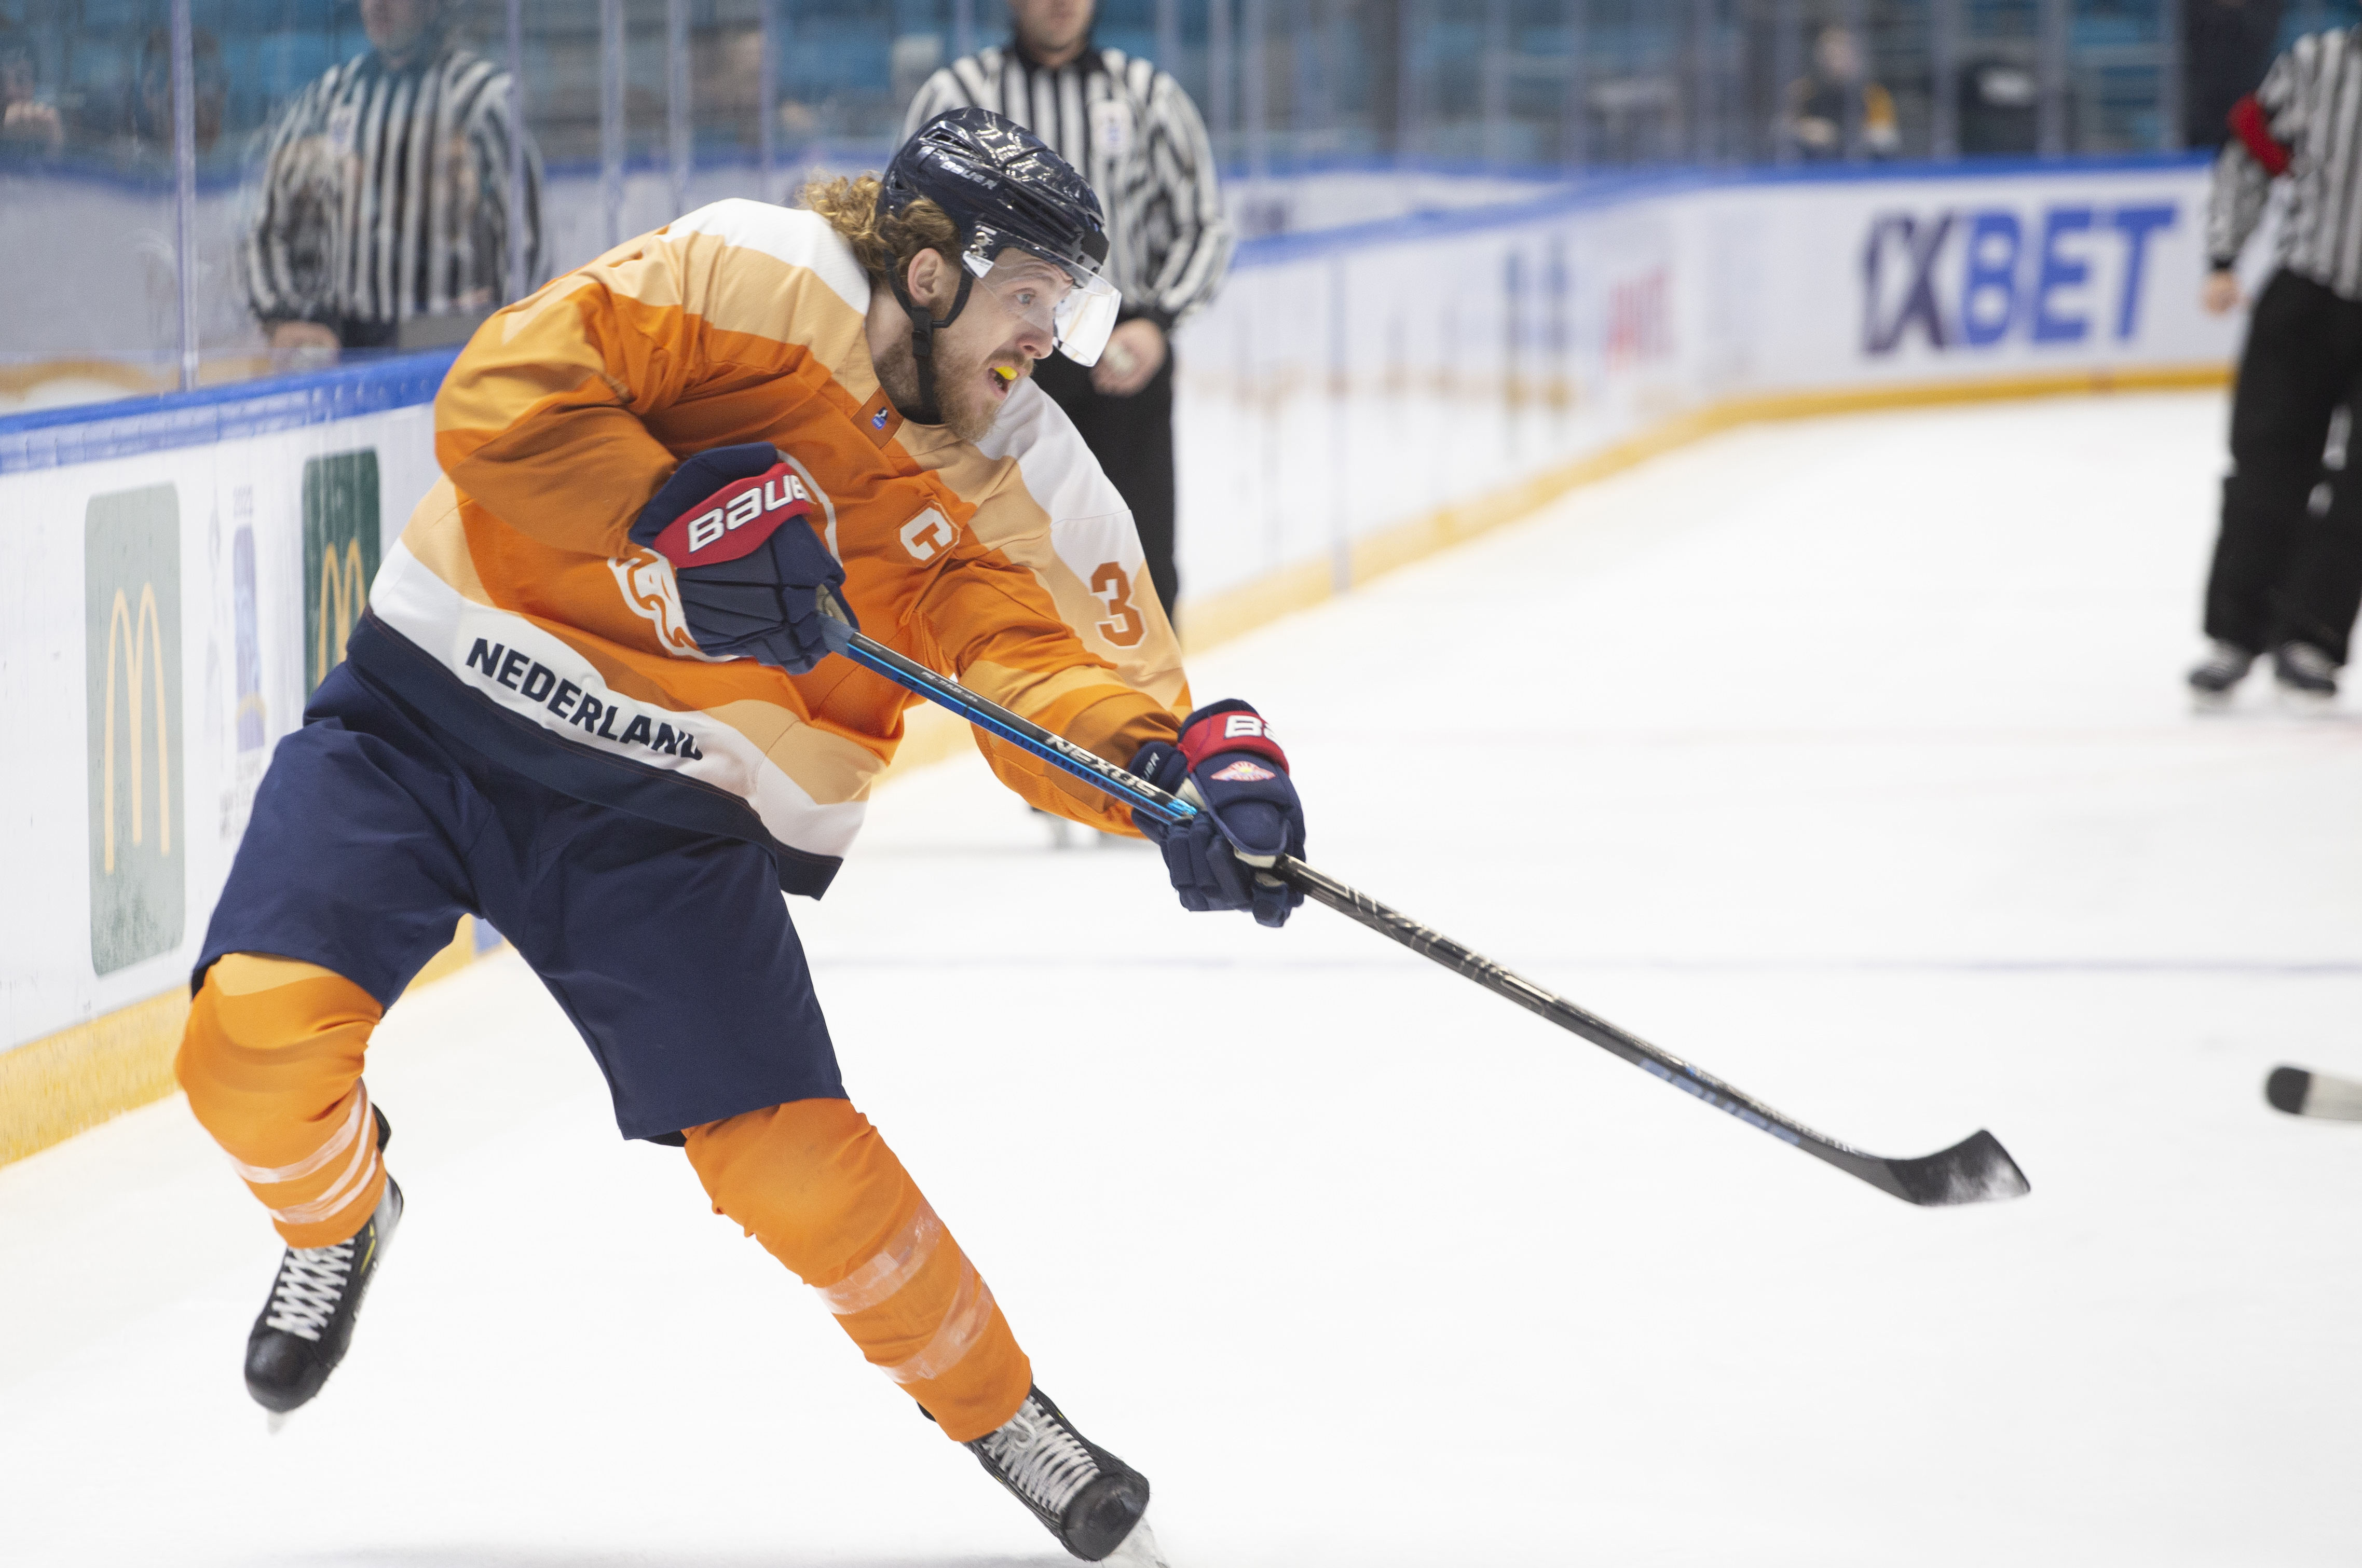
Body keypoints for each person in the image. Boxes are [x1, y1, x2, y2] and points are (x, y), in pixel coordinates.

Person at [173, 109, 1305, 1567]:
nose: (1050, 340)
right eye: (1029, 295)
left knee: (802, 1176)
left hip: (668, 820)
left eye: (1063, 306)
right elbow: (506, 395)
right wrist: (660, 504)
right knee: (251, 1048)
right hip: (430, 717)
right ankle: (338, 1214)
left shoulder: (1022, 476)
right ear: (928, 274)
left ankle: (1003, 1412)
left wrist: (1168, 774)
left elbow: (1047, 676)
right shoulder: (748, 272)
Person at [903, 0, 1231, 629]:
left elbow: (1203, 227)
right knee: (1009, 549)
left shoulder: (1146, 95)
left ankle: (1150, 715)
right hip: (995, 351)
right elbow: (915, 222)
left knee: (1137, 549)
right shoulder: (960, 94)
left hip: (1121, 351)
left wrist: (1157, 323)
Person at [2191, 26, 2362, 709]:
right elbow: (2247, 153)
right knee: (2264, 463)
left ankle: (2312, 637)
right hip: (2307, 294)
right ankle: (2233, 634)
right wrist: (2222, 256)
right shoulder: (2315, 64)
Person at [240, 0, 542, 363]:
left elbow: (526, 242)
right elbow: (268, 223)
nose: (377, 5)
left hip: (450, 348)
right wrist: (281, 315)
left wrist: (509, 333)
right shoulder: (331, 97)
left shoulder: (482, 98)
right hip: (349, 346)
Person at [1783, 25, 1900, 162]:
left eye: (1840, 53)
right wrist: (1800, 131)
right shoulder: (1804, 90)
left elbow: (1884, 139)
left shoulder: (1873, 94)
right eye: (1828, 54)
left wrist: (1835, 135)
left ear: (1854, 57)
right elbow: (1780, 132)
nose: (1832, 61)